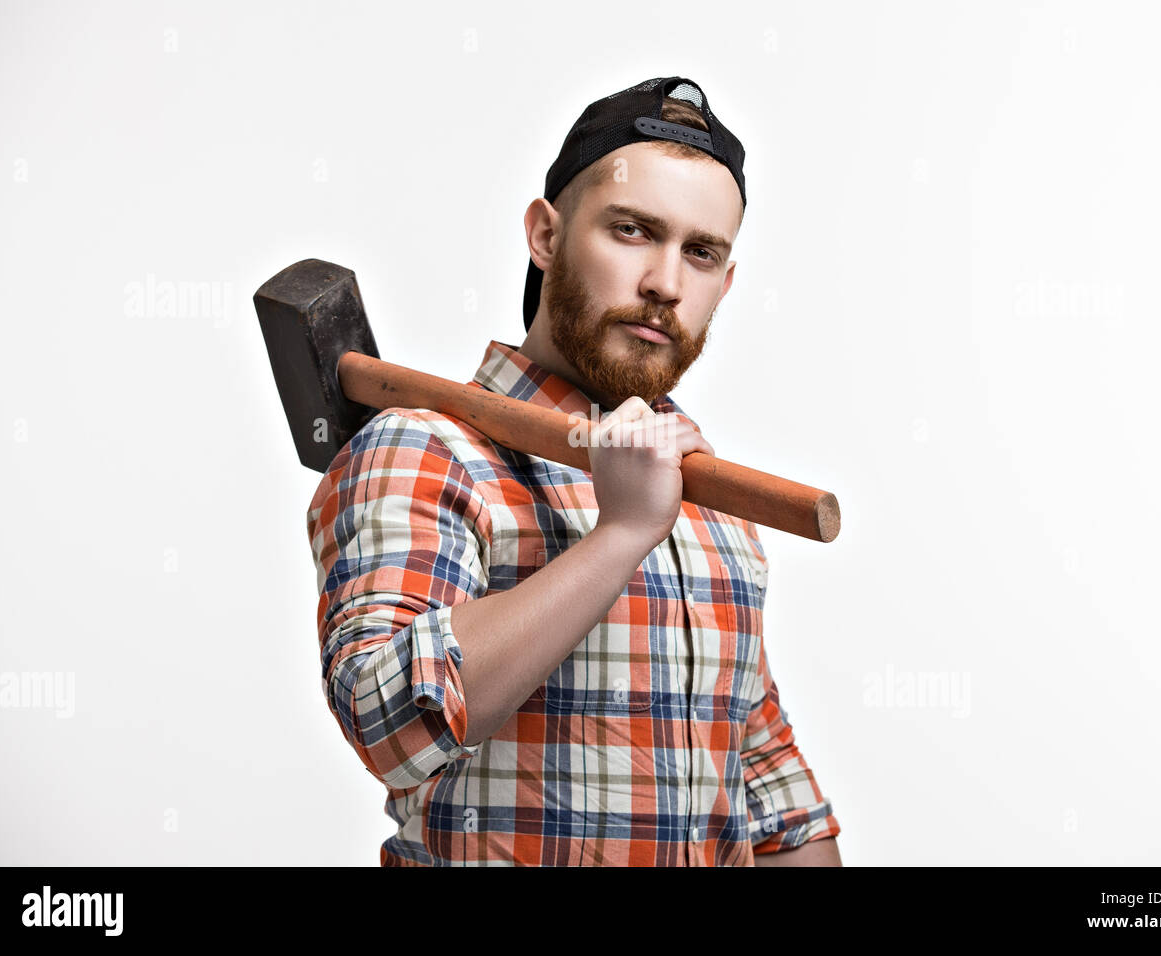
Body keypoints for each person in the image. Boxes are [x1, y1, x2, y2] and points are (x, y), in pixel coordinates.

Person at [306, 76, 842, 866]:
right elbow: (391, 727)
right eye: (631, 230)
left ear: (724, 284)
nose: (665, 282)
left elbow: (769, 796)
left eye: (700, 252)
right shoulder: (424, 450)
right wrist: (621, 534)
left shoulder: (709, 501)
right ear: (546, 237)